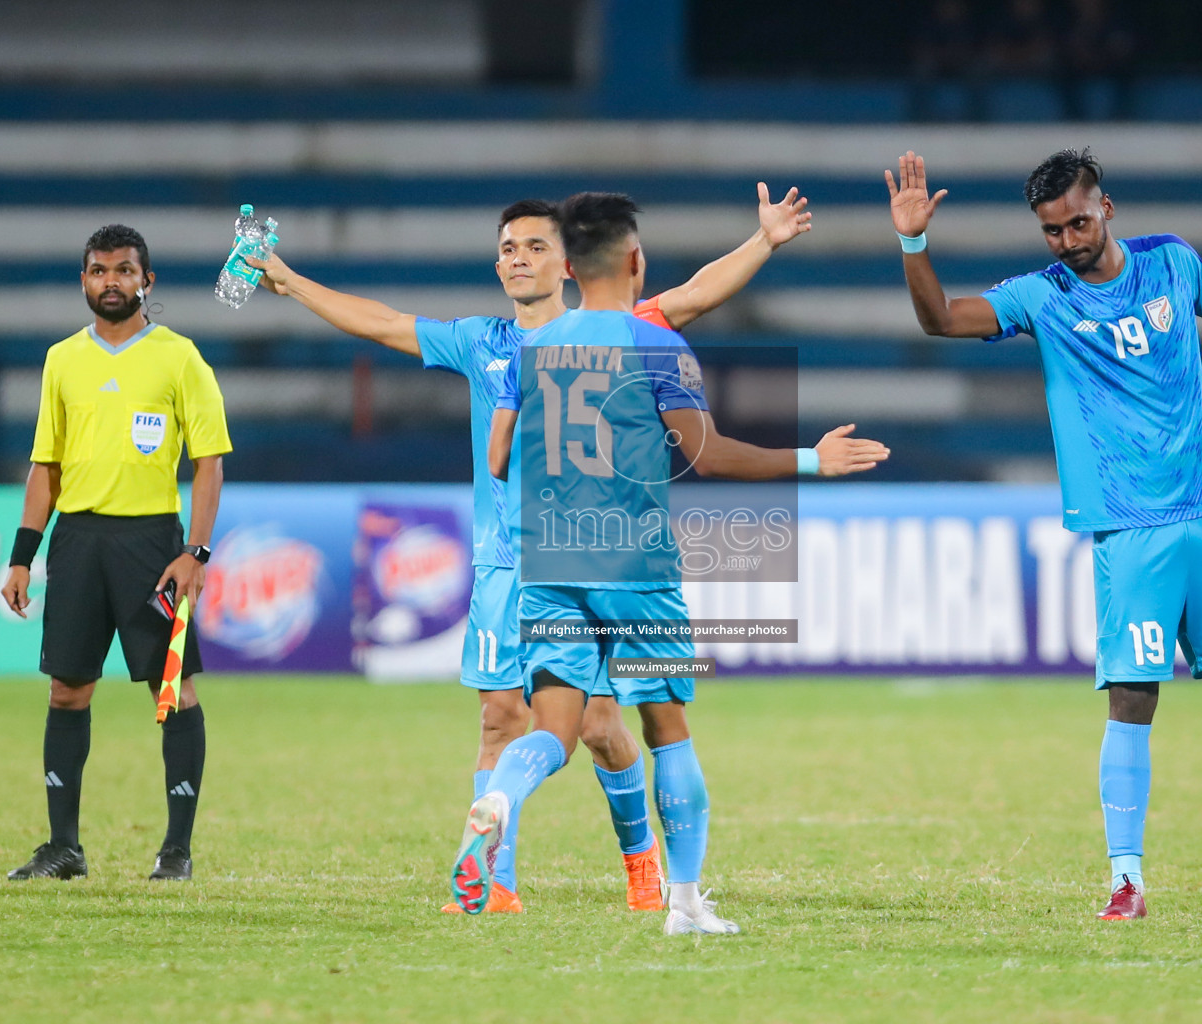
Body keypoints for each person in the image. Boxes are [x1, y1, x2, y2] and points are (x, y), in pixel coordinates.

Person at [250, 184, 812, 914]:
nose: (519, 259)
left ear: (568, 263)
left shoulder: (618, 325)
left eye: (536, 247)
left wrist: (763, 241)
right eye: (509, 248)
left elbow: (698, 294)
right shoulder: (483, 342)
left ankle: (641, 861)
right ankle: (490, 882)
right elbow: (384, 323)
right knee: (499, 718)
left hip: (591, 557)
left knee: (605, 729)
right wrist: (289, 280)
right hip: (506, 562)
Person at [884, 148, 1202, 919]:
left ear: (1106, 207)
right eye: (1052, 231)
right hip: (1130, 527)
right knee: (1134, 696)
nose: (1068, 240)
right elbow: (941, 318)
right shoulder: (1041, 297)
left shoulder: (1173, 262)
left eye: (1077, 221)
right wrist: (913, 242)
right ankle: (1126, 882)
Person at [458, 192, 889, 935]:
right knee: (665, 724)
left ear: (567, 264)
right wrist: (810, 460)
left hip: (549, 560)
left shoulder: (529, 348)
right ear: (635, 261)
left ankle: (500, 801)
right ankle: (684, 905)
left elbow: (498, 458)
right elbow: (709, 455)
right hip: (634, 565)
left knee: (553, 727)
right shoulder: (654, 345)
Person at [1, 224, 231, 882]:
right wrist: (23, 556)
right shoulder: (62, 360)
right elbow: (45, 465)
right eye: (99, 271)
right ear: (84, 280)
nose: (111, 281)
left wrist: (197, 551)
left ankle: (177, 850)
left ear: (146, 281)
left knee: (172, 693)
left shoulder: (180, 358)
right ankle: (63, 848)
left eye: (124, 271)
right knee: (67, 691)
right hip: (77, 541)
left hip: (152, 544)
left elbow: (209, 464)